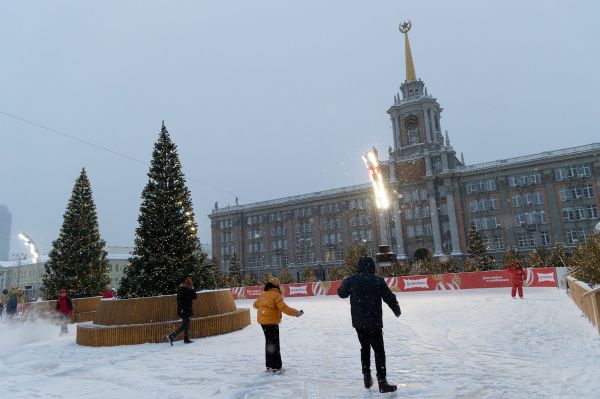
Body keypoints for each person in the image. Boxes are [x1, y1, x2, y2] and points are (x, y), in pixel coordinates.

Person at [338, 256, 401, 393]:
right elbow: (389, 297)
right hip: (374, 322)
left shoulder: (351, 280)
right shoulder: (377, 280)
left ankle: (366, 377)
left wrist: (344, 282)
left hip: (359, 323)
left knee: (364, 348)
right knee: (379, 351)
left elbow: (341, 294)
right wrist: (396, 310)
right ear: (372, 266)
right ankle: (382, 382)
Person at [253, 276, 303, 373]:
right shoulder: (276, 295)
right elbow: (284, 308)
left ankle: (269, 365)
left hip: (263, 322)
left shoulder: (263, 294)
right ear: (277, 286)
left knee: (269, 342)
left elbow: (255, 305)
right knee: (274, 344)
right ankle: (276, 366)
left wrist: (264, 305)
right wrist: (296, 313)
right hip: (271, 322)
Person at [167, 278, 197, 345]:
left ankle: (186, 339)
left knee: (187, 325)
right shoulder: (185, 290)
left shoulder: (183, 289)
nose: (191, 286)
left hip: (185, 310)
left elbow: (193, 297)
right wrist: (192, 289)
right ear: (188, 285)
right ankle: (171, 336)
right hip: (185, 310)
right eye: (190, 285)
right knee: (185, 326)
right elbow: (194, 296)